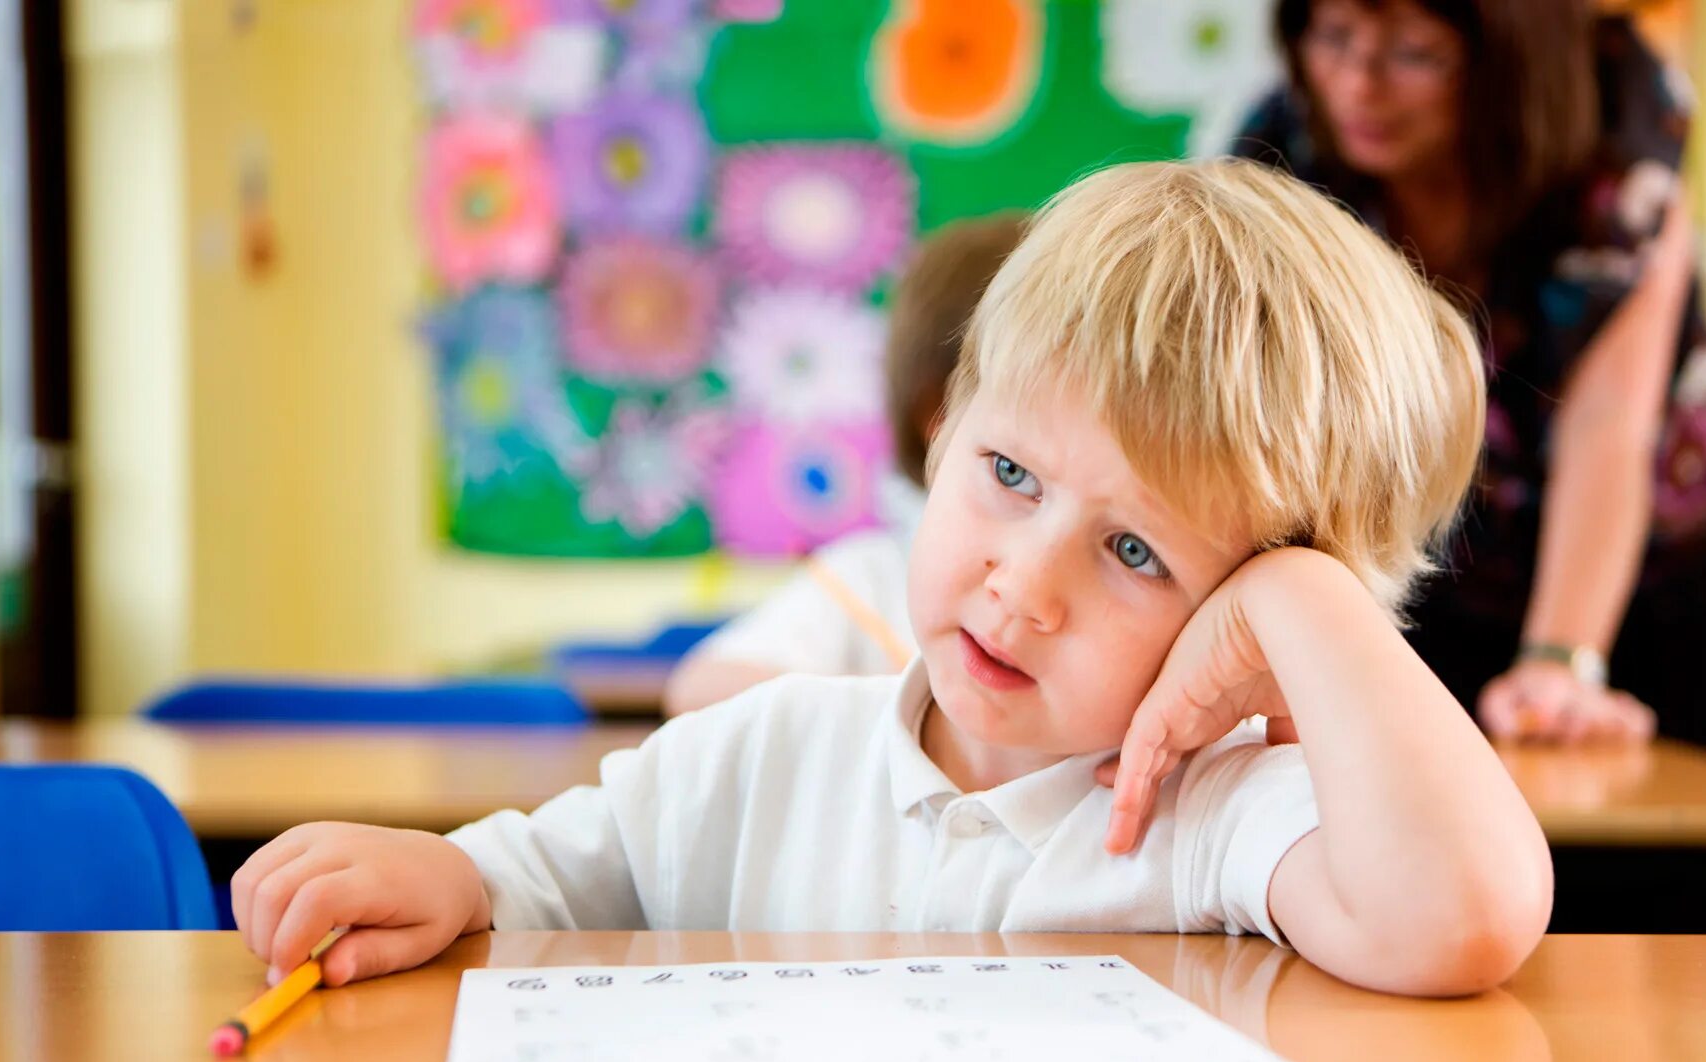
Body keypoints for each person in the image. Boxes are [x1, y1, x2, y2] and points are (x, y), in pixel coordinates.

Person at [228, 159, 1552, 999]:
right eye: (1011, 476)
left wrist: (1306, 602)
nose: (1023, 584)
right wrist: (448, 879)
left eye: (1136, 551)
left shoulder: (1211, 816)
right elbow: (542, 880)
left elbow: (1464, 920)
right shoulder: (760, 754)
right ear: (944, 425)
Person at [1236, 0, 1706, 930]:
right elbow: (1269, 414)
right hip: (1446, 568)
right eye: (1332, 39)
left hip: (1675, 575)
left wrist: (1560, 663)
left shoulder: (1612, 115)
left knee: (1634, 903)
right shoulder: (1283, 146)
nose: (1359, 85)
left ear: (1502, 57)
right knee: (1434, 873)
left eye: (1416, 52)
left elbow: (1609, 419)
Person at [663, 213, 1029, 715]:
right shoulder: (874, 574)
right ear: (939, 420)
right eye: (1014, 470)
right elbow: (697, 689)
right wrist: (888, 712)